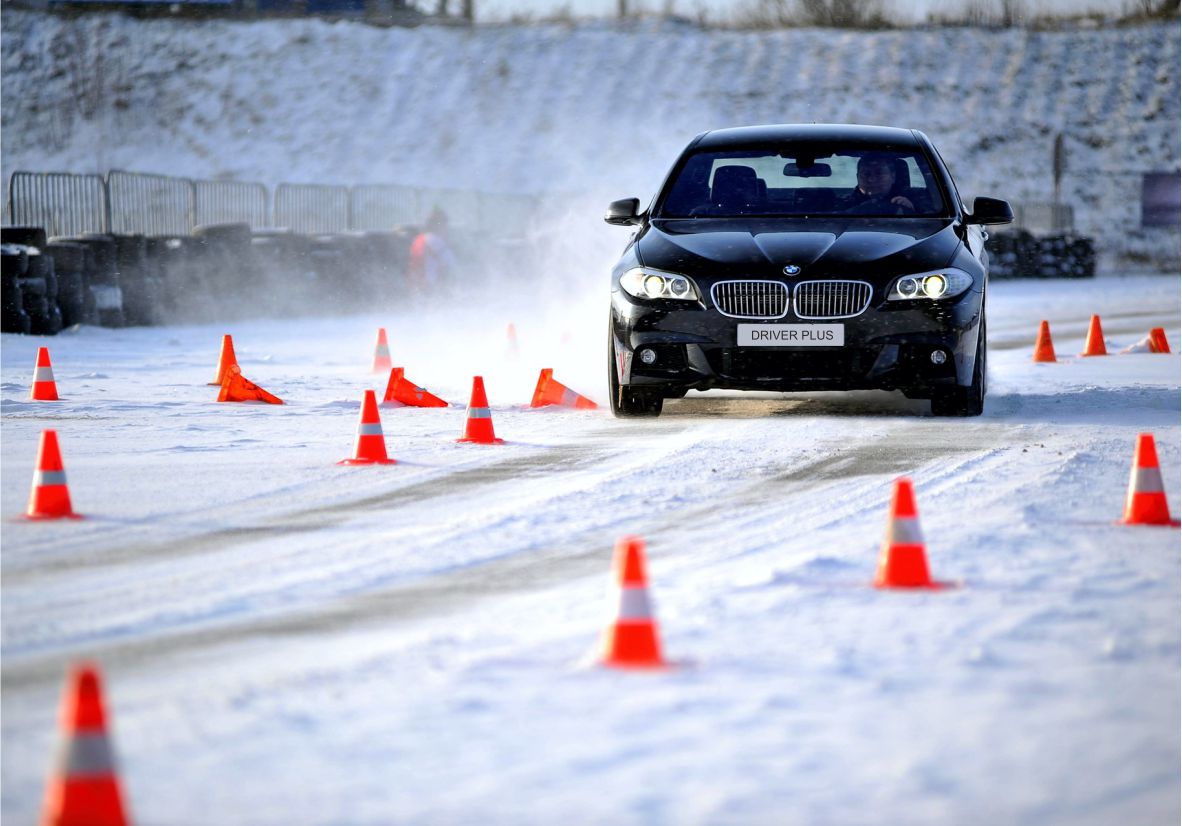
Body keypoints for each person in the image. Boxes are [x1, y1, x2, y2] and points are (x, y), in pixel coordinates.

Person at [406, 206, 458, 295]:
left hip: (415, 289)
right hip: (432, 290)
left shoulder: (418, 239)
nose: (447, 229)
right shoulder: (437, 242)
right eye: (445, 225)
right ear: (440, 226)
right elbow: (453, 266)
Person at [839, 154, 915, 214]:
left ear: (893, 177)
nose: (871, 179)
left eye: (879, 173)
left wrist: (910, 211)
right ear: (857, 177)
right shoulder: (843, 205)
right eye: (866, 174)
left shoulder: (916, 202)